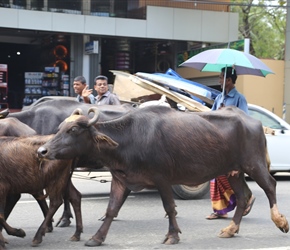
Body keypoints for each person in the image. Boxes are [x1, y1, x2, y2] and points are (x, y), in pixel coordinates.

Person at [206, 66, 255, 220]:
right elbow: (211, 117)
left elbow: (244, 122)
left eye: (221, 77)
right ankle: (220, 210)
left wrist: (227, 112)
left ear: (228, 80)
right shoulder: (219, 98)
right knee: (216, 175)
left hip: (233, 146)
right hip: (219, 144)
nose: (219, 80)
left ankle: (247, 197)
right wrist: (218, 112)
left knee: (229, 175)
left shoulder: (240, 98)